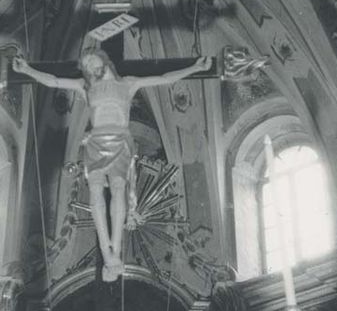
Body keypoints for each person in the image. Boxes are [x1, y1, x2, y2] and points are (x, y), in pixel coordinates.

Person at [13, 51, 211, 282]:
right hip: (96, 141)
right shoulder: (84, 86)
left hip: (120, 141)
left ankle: (115, 250)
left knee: (118, 190)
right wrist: (27, 70)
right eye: (85, 65)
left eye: (90, 61)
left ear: (103, 59)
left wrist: (195, 68)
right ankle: (106, 251)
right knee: (95, 192)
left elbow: (165, 77)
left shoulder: (128, 83)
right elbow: (54, 81)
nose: (88, 66)